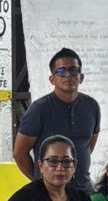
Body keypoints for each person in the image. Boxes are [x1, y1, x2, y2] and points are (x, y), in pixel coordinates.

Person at [12, 48, 101, 192]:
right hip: (49, 195)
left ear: (81, 77)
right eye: (61, 71)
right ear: (52, 79)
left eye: (73, 70)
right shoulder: (39, 109)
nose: (68, 75)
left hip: (83, 192)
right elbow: (19, 154)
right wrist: (41, 182)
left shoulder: (92, 106)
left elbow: (87, 146)